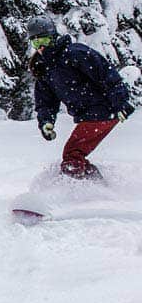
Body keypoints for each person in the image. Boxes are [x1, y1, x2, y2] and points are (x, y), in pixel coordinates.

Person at [27, 16, 134, 180]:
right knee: (74, 154)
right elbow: (45, 101)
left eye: (44, 40)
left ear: (53, 37)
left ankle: (78, 190)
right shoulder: (44, 67)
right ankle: (96, 185)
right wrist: (46, 122)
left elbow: (106, 75)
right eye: (35, 42)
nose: (40, 47)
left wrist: (121, 104)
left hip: (103, 110)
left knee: (72, 154)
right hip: (89, 115)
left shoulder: (75, 53)